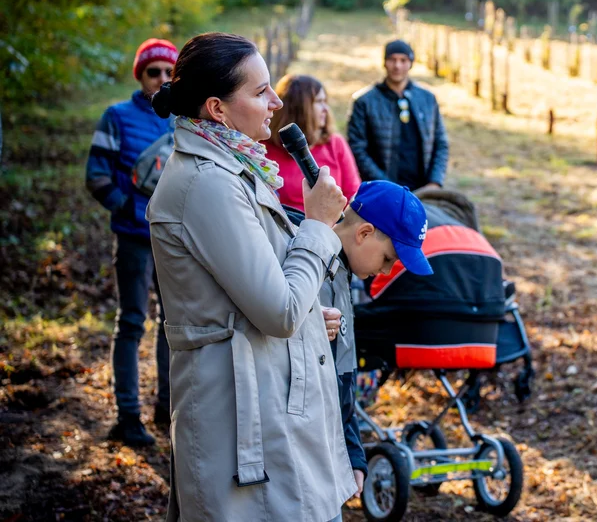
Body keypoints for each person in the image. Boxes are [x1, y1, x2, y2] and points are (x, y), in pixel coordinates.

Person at [146, 32, 356, 522]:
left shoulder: (236, 168)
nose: (276, 102)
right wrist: (320, 226)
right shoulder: (206, 185)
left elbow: (268, 291)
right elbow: (278, 311)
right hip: (239, 419)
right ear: (217, 109)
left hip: (266, 405)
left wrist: (310, 314)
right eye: (261, 92)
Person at [85, 38, 177, 447]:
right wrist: (125, 208)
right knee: (131, 321)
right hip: (134, 239)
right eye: (153, 71)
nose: (161, 79)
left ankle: (168, 407)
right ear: (140, 74)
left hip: (174, 240)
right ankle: (128, 416)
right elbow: (97, 174)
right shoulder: (117, 117)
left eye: (168, 73)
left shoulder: (182, 119)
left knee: (173, 324)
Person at [320, 181, 434, 503]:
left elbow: (343, 379)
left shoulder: (342, 278)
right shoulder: (310, 262)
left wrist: (354, 454)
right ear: (364, 233)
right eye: (387, 259)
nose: (385, 270)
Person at [347, 39, 449, 191]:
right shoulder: (364, 102)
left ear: (411, 63)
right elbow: (357, 149)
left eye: (403, 60)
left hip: (423, 190)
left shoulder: (427, 99)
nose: (397, 66)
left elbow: (441, 144)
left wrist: (434, 181)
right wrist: (387, 186)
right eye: (392, 60)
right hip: (382, 189)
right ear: (384, 62)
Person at [266, 74, 361, 211]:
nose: (326, 109)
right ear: (298, 107)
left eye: (325, 102)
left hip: (331, 228)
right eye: (319, 102)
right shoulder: (265, 147)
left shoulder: (334, 143)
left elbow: (353, 194)